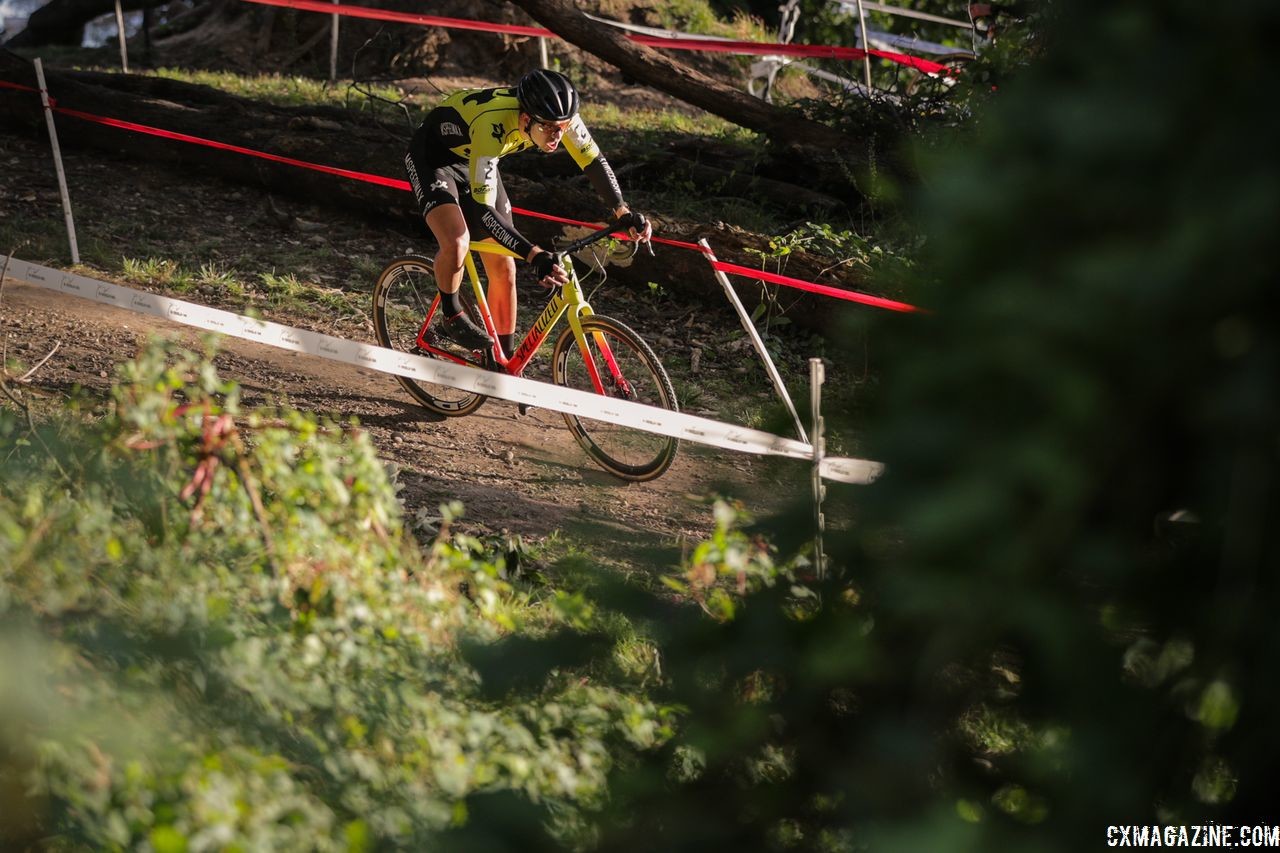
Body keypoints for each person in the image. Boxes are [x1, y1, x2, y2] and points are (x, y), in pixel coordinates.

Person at [404, 69, 653, 356]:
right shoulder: (493, 124)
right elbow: (485, 212)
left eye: (563, 127)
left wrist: (622, 210)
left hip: (479, 159)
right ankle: (451, 315)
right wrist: (535, 255)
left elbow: (593, 161)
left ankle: (504, 360)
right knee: (457, 241)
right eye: (549, 128)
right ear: (525, 119)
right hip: (435, 159)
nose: (558, 135)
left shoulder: (558, 117)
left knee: (504, 267)